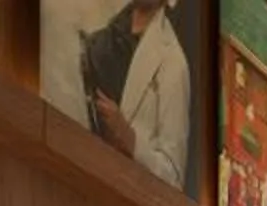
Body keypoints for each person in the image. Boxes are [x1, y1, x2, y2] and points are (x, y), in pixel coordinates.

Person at [73, 0, 194, 191]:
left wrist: (130, 139)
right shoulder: (98, 38)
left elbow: (173, 178)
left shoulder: (173, 64)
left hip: (125, 198)